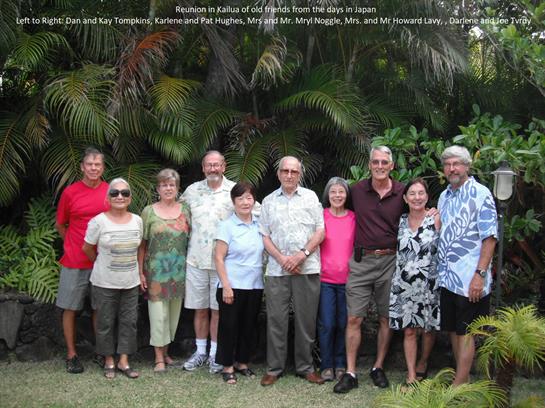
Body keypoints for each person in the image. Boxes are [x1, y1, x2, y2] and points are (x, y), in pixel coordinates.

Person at [334, 146, 406, 393]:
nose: (379, 166)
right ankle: (351, 372)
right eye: (375, 162)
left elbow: (418, 212)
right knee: (354, 317)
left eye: (384, 162)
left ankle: (377, 367)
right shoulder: (357, 191)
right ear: (369, 165)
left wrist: (432, 212)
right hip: (362, 261)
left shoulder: (402, 192)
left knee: (387, 317)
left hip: (390, 261)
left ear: (391, 166)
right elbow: (339, 212)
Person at [259, 156, 325, 386]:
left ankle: (306, 367)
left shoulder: (311, 197)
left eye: (293, 171)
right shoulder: (268, 201)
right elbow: (264, 236)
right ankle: (274, 368)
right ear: (278, 174)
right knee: (276, 320)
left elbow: (320, 231)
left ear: (300, 174)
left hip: (307, 268)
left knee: (306, 320)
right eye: (285, 171)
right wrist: (282, 259)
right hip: (278, 271)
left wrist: (301, 255)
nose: (289, 175)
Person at [437, 146, 497, 385]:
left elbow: (490, 237)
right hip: (448, 277)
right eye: (448, 164)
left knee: (466, 332)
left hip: (469, 278)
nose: (452, 168)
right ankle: (460, 378)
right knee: (454, 329)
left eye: (457, 164)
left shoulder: (480, 194)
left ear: (467, 166)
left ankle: (460, 384)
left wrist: (479, 275)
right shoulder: (445, 196)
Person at [82, 178, 143, 379]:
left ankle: (123, 360)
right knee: (105, 322)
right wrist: (102, 263)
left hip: (130, 281)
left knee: (129, 321)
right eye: (115, 193)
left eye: (125, 193)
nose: (120, 197)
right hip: (104, 282)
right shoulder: (98, 221)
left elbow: (140, 247)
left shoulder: (137, 220)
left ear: (130, 198)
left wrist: (140, 272)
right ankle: (108, 359)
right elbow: (88, 248)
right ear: (108, 198)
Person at [55, 147, 109, 373]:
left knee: (100, 308)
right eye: (90, 164)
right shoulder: (70, 192)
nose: (94, 168)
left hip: (103, 260)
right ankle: (71, 354)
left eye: (98, 164)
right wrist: (72, 244)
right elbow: (61, 224)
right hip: (75, 261)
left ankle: (101, 352)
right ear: (82, 167)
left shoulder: (111, 191)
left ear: (103, 168)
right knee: (70, 307)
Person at [181, 151, 235, 373]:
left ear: (224, 166)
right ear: (203, 168)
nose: (213, 169)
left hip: (223, 263)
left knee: (218, 311)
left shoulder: (235, 191)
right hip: (195, 260)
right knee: (200, 309)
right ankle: (200, 352)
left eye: (217, 165)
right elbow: (178, 218)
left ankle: (215, 354)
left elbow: (253, 214)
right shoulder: (192, 191)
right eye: (208, 165)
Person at [388, 178, 441, 386]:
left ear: (427, 197)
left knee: (428, 329)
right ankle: (411, 375)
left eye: (421, 193)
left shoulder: (436, 219)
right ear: (405, 198)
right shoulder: (400, 221)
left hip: (429, 284)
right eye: (412, 193)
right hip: (404, 285)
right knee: (409, 330)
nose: (417, 197)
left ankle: (423, 362)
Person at [138, 169, 191, 373]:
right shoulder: (148, 211)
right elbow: (142, 245)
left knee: (173, 316)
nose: (168, 188)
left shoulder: (185, 210)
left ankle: (166, 352)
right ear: (158, 188)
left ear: (177, 188)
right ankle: (158, 357)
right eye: (164, 185)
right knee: (158, 315)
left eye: (172, 185)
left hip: (178, 272)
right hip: (155, 273)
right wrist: (140, 272)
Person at [214, 182, 264, 385]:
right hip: (231, 286)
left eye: (249, 197)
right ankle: (227, 366)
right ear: (233, 202)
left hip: (254, 285)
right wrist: (226, 285)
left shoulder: (260, 224)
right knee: (228, 327)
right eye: (240, 198)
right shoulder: (226, 225)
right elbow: (218, 258)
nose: (245, 202)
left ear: (254, 200)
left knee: (248, 326)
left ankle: (242, 362)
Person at [318, 177, 355, 382]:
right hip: (325, 281)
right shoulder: (320, 217)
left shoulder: (354, 218)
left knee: (344, 324)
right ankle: (326, 364)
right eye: (333, 192)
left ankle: (341, 363)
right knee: (327, 324)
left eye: (341, 192)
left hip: (349, 281)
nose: (337, 196)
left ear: (347, 195)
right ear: (328, 195)